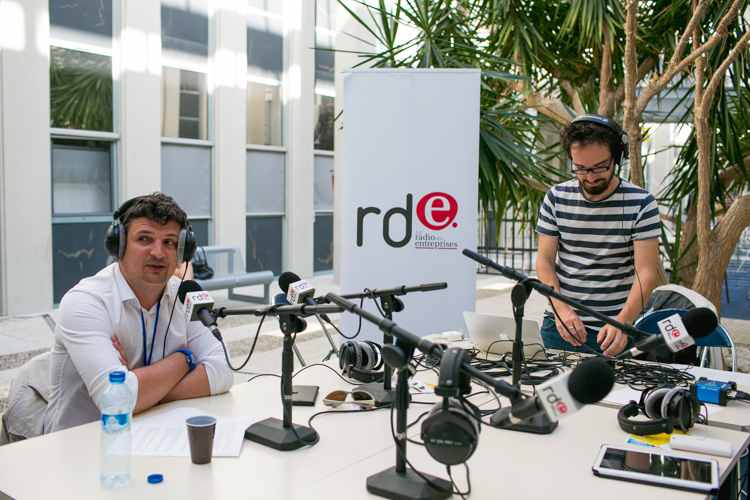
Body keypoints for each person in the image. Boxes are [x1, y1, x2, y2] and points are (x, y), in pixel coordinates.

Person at [44, 193, 233, 433]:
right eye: (144, 239)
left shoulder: (184, 296)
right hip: (82, 446)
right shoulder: (85, 302)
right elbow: (117, 402)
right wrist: (184, 359)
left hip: (156, 435)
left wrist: (144, 389)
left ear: (182, 252)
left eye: (170, 242)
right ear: (118, 246)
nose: (158, 252)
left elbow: (224, 371)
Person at [535, 115, 660, 357]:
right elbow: (544, 262)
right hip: (560, 325)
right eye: (581, 168)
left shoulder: (642, 203)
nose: (591, 178)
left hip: (616, 332)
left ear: (618, 157)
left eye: (600, 167)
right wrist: (561, 310)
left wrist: (623, 322)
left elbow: (645, 273)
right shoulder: (556, 198)